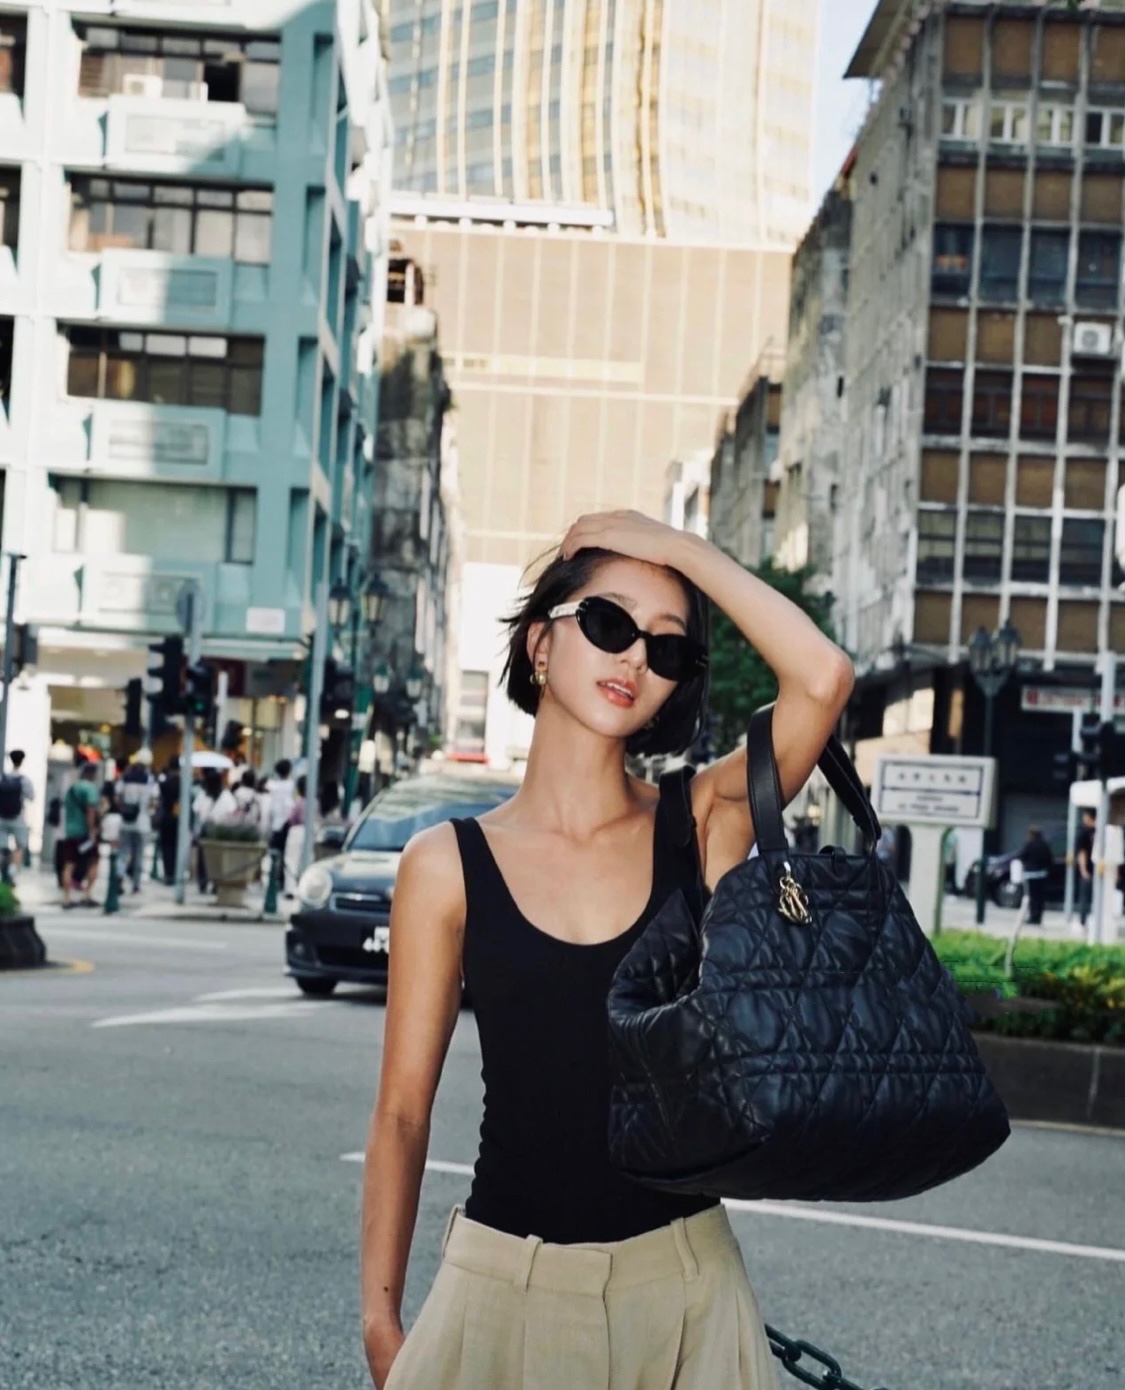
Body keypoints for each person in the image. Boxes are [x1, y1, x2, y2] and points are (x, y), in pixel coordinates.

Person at [360, 509, 854, 1390]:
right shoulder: (444, 865)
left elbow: (821, 678)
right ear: (540, 645)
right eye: (606, 622)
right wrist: (380, 1321)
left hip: (685, 1297)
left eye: (664, 647)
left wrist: (677, 549)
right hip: (498, 1290)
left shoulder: (702, 822)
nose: (633, 658)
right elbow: (402, 1112)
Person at [61, 762, 101, 908]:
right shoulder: (91, 789)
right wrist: (92, 831)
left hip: (70, 831)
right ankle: (87, 894)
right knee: (93, 861)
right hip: (85, 833)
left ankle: (66, 897)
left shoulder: (72, 788)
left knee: (69, 864)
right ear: (93, 774)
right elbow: (91, 811)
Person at [118, 751, 157, 893]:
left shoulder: (125, 778)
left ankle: (119, 878)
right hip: (143, 822)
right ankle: (136, 884)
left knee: (123, 852)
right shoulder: (150, 780)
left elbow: (118, 797)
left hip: (126, 821)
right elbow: (153, 801)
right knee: (139, 854)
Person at [0, 748, 35, 876]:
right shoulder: (24, 780)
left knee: (1, 847)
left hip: (1, 817)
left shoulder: (2, 778)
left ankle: (1, 872)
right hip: (18, 817)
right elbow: (31, 797)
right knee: (20, 846)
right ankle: (13, 870)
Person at [267, 759, 296, 891]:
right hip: (288, 823)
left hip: (276, 823)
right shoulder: (292, 786)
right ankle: (283, 880)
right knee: (286, 854)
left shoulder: (273, 786)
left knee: (275, 854)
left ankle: (275, 878)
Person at [1018, 826, 1053, 926]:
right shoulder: (1045, 845)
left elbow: (1022, 856)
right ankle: (1039, 917)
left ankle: (1033, 916)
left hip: (1030, 874)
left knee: (1032, 897)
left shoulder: (1029, 845)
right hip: (1042, 874)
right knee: (1040, 897)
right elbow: (1049, 859)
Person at [157, 757, 181, 886]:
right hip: (179, 819)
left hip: (166, 817)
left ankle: (168, 873)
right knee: (177, 847)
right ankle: (176, 872)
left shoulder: (164, 783)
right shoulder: (183, 783)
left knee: (166, 847)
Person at [1074, 809, 1096, 931]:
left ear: (1089, 818)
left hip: (1088, 871)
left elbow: (1082, 853)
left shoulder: (1083, 833)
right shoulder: (1101, 831)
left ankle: (1083, 922)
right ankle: (1092, 921)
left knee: (1084, 897)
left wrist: (1083, 871)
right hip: (1098, 871)